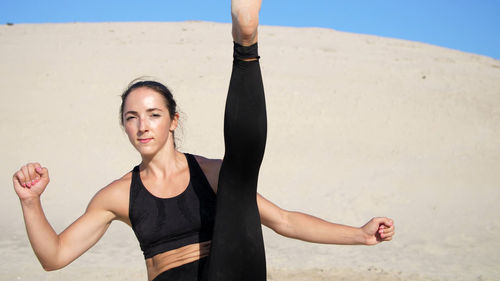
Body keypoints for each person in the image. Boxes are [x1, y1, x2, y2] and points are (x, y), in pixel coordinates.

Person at [12, 1, 395, 280]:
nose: (142, 125)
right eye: (132, 118)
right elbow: (55, 256)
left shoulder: (209, 174)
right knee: (235, 180)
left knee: (236, 178)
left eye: (154, 114)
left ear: (174, 120)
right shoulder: (117, 195)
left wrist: (359, 235)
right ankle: (245, 47)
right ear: (124, 127)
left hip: (232, 269)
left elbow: (284, 221)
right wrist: (31, 202)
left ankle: (246, 44)